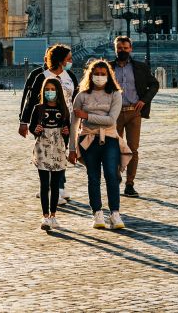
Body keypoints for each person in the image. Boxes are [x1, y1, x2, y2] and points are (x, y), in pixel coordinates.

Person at [68, 59, 126, 230]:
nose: (99, 77)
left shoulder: (115, 94)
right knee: (93, 177)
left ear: (109, 76)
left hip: (109, 139)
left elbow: (110, 120)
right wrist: (72, 148)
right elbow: (74, 123)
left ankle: (115, 213)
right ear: (90, 75)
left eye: (103, 74)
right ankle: (97, 213)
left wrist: (87, 116)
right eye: (96, 74)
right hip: (88, 139)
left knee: (111, 175)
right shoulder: (81, 95)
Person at [19, 44, 77, 205]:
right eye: (68, 59)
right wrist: (23, 122)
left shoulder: (70, 75)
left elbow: (76, 99)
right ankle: (51, 190)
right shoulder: (41, 77)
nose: (71, 61)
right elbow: (30, 102)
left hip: (66, 122)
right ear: (59, 60)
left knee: (60, 153)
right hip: (45, 123)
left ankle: (59, 187)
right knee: (47, 155)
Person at [110, 35, 159, 198]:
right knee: (113, 148)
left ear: (131, 49)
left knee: (133, 149)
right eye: (119, 48)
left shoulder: (140, 67)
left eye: (125, 48)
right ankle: (115, 176)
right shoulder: (108, 68)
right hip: (114, 114)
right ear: (115, 49)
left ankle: (129, 183)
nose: (122, 51)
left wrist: (144, 101)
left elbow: (154, 84)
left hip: (133, 113)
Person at [29, 76, 70, 231]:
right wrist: (36, 130)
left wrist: (66, 133)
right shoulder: (38, 108)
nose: (50, 92)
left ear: (58, 91)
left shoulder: (63, 109)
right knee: (44, 183)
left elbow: (67, 129)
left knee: (55, 184)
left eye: (53, 90)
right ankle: (45, 217)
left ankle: (53, 215)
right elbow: (33, 129)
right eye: (47, 90)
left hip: (58, 148)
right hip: (42, 148)